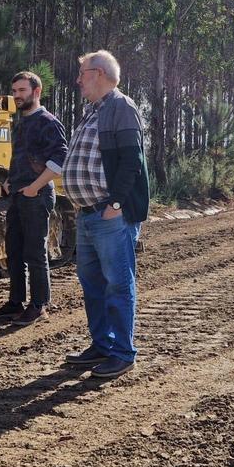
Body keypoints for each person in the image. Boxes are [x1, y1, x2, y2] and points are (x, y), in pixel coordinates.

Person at [62, 50, 149, 378]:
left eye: (82, 73)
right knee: (92, 283)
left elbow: (131, 162)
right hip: (87, 215)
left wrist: (115, 205)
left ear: (98, 73)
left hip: (109, 215)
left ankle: (123, 353)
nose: (78, 80)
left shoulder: (120, 107)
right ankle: (102, 344)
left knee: (117, 284)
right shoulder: (92, 111)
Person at [0, 71, 68, 326]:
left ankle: (39, 305)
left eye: (22, 90)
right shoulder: (20, 122)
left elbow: (60, 159)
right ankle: (16, 303)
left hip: (37, 195)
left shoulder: (48, 122)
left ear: (36, 92)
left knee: (35, 253)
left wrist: (35, 186)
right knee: (14, 251)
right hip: (19, 194)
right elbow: (22, 158)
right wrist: (10, 180)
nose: (17, 96)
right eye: (14, 91)